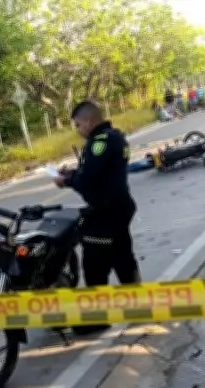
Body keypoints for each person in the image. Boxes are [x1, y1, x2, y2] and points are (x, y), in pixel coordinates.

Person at [53, 100, 142, 335]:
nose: (78, 130)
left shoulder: (98, 144)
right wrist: (73, 173)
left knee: (94, 265)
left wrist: (66, 181)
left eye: (78, 124)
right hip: (119, 208)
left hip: (106, 213)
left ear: (90, 121)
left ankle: (96, 318)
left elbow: (88, 182)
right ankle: (140, 305)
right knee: (123, 257)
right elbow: (99, 174)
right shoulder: (114, 137)